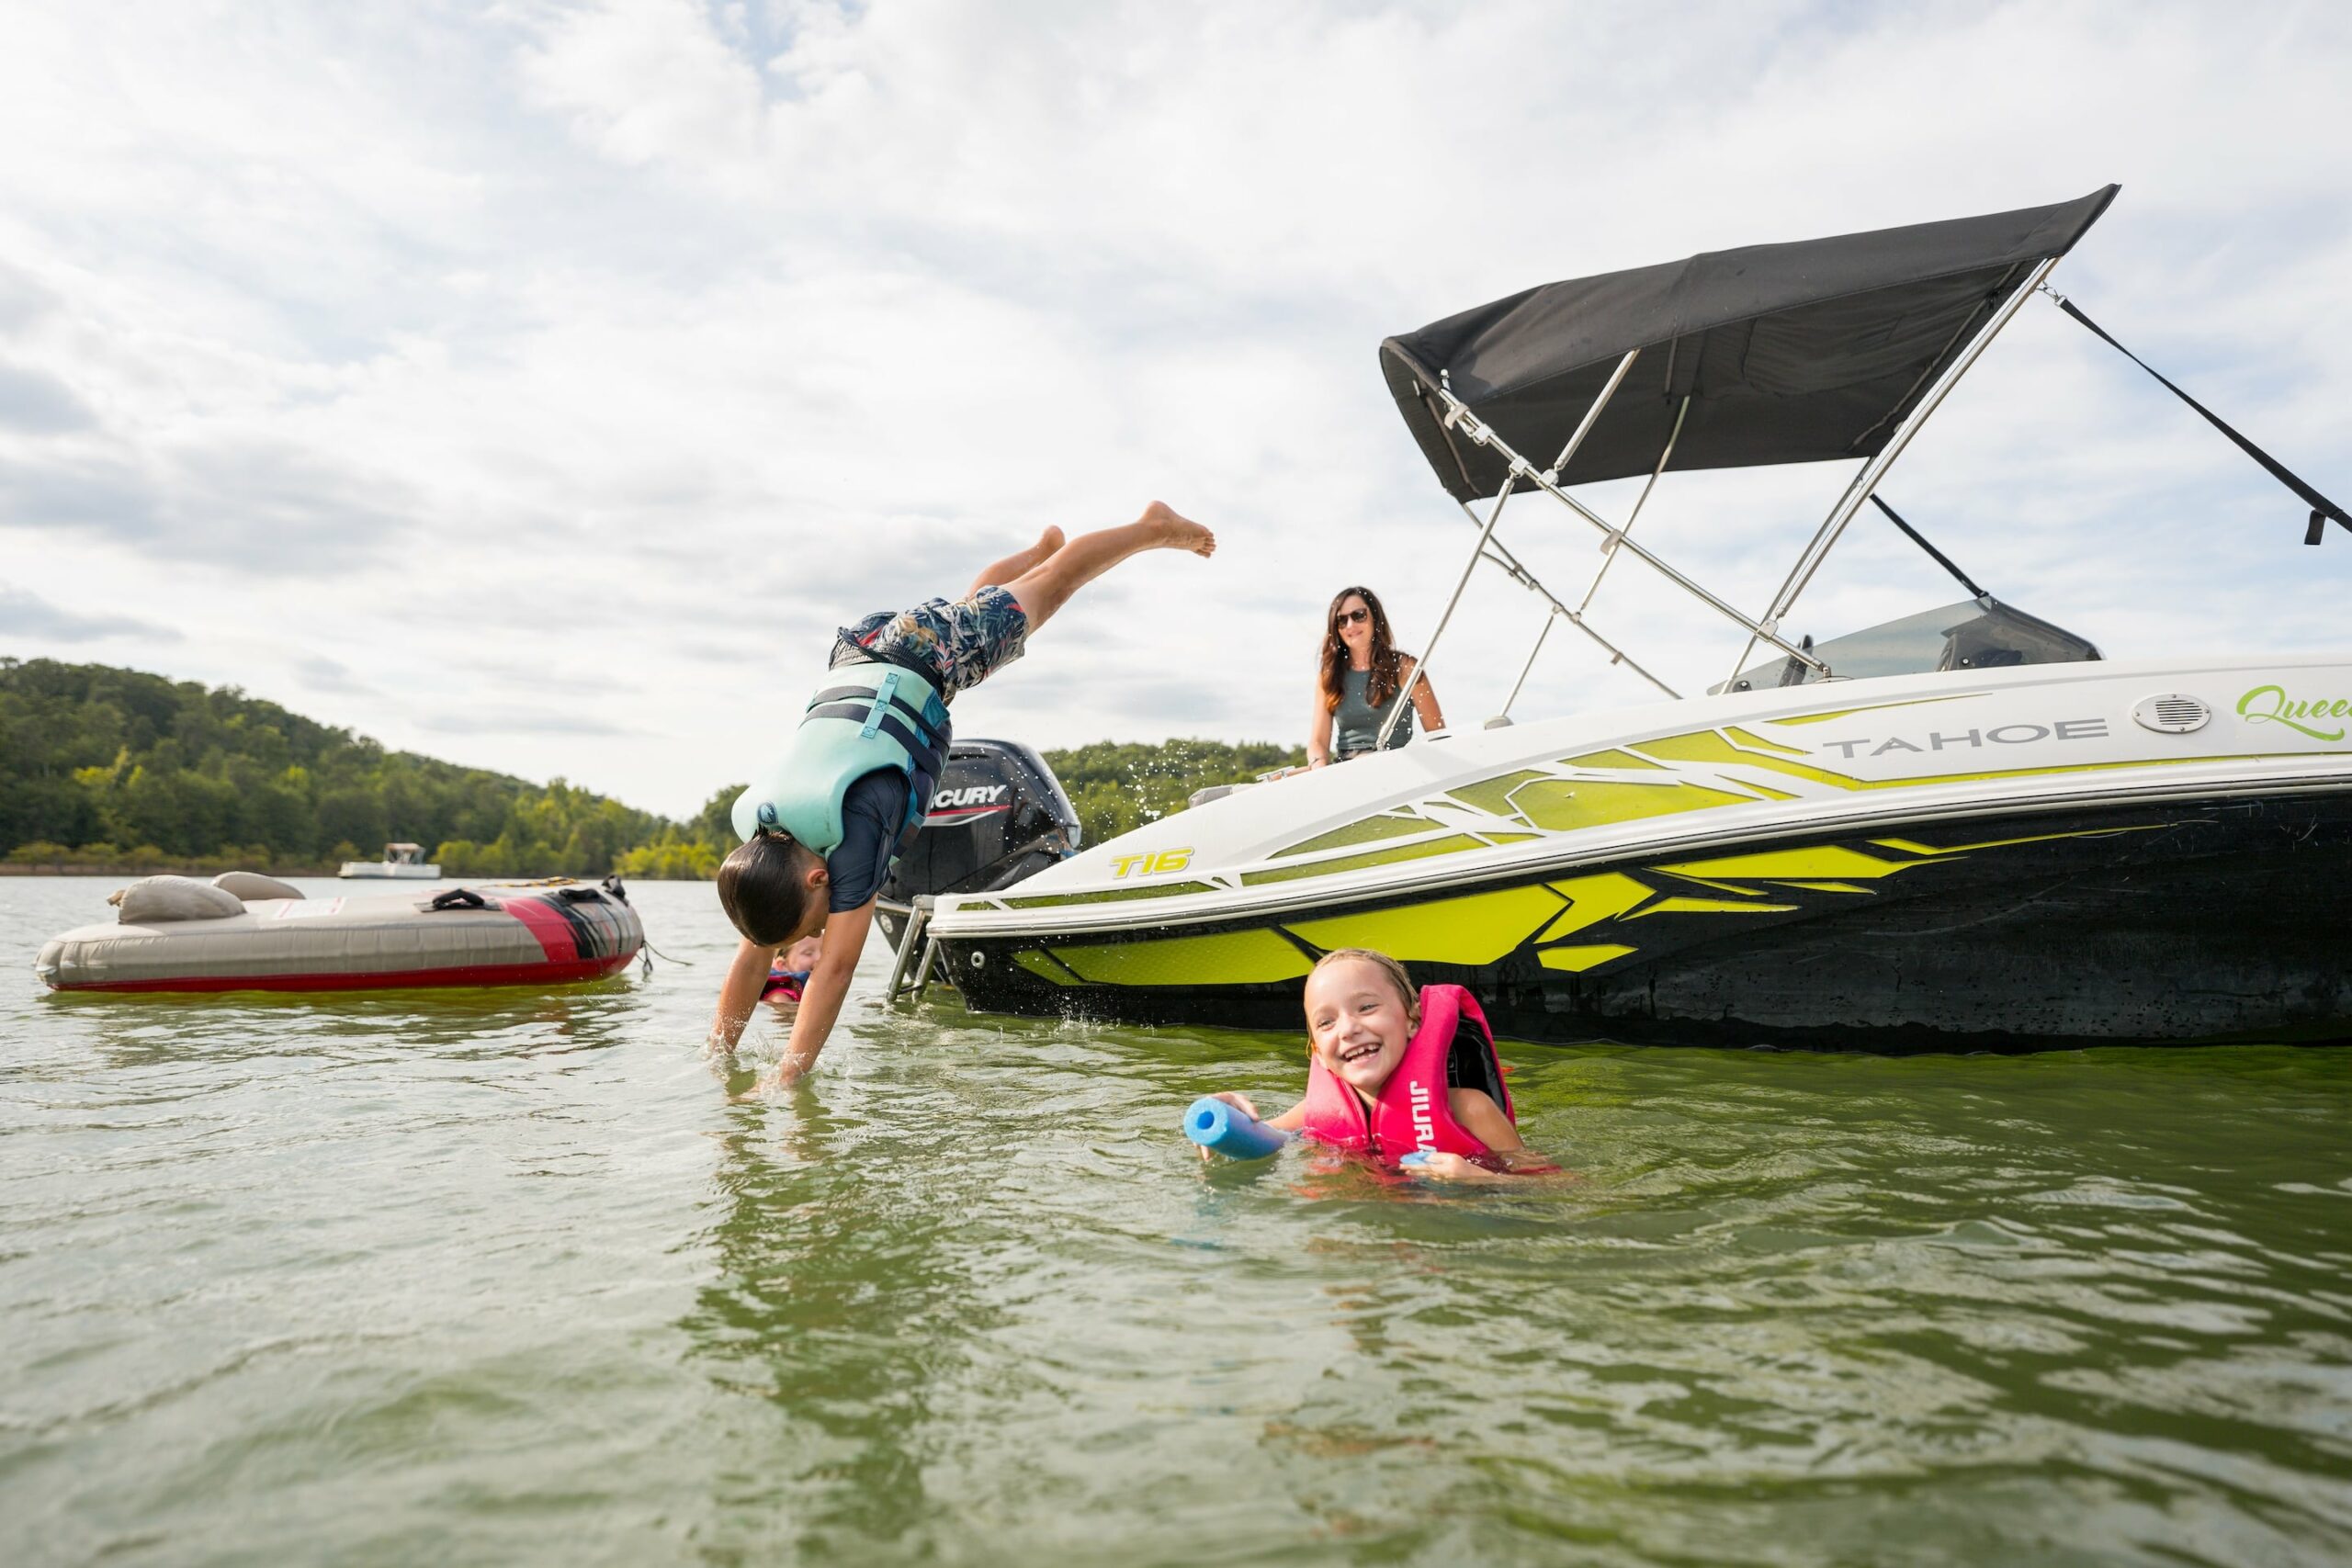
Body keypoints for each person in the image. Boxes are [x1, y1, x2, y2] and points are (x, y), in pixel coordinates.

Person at [709, 502, 1216, 1083]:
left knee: (1056, 586)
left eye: (810, 924)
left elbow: (838, 971)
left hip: (917, 655)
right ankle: (1038, 549)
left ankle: (1152, 527)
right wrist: (718, 1058)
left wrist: (789, 1080)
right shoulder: (767, 852)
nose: (817, 933)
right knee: (971, 614)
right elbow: (752, 953)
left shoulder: (858, 821)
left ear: (816, 880)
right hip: (866, 646)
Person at [1196, 948, 1555, 1182]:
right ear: (1318, 1053)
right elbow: (1252, 1142)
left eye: (1367, 1007)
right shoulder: (1314, 1115)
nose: (1349, 1028)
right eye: (1326, 1023)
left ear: (1412, 1022)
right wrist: (1221, 1110)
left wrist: (1486, 1178)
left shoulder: (1469, 1109)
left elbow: (1554, 1187)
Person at [1306, 586, 1443, 767]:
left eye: (1359, 615)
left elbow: (1437, 735)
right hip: (1344, 770)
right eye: (1342, 620)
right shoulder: (1329, 675)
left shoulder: (1405, 668)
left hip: (1397, 766)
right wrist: (1319, 768)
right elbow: (1318, 743)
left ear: (1375, 618)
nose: (1350, 625)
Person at [758, 935, 825, 1006]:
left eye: (824, 952)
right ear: (782, 965)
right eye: (808, 953)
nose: (820, 957)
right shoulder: (780, 998)